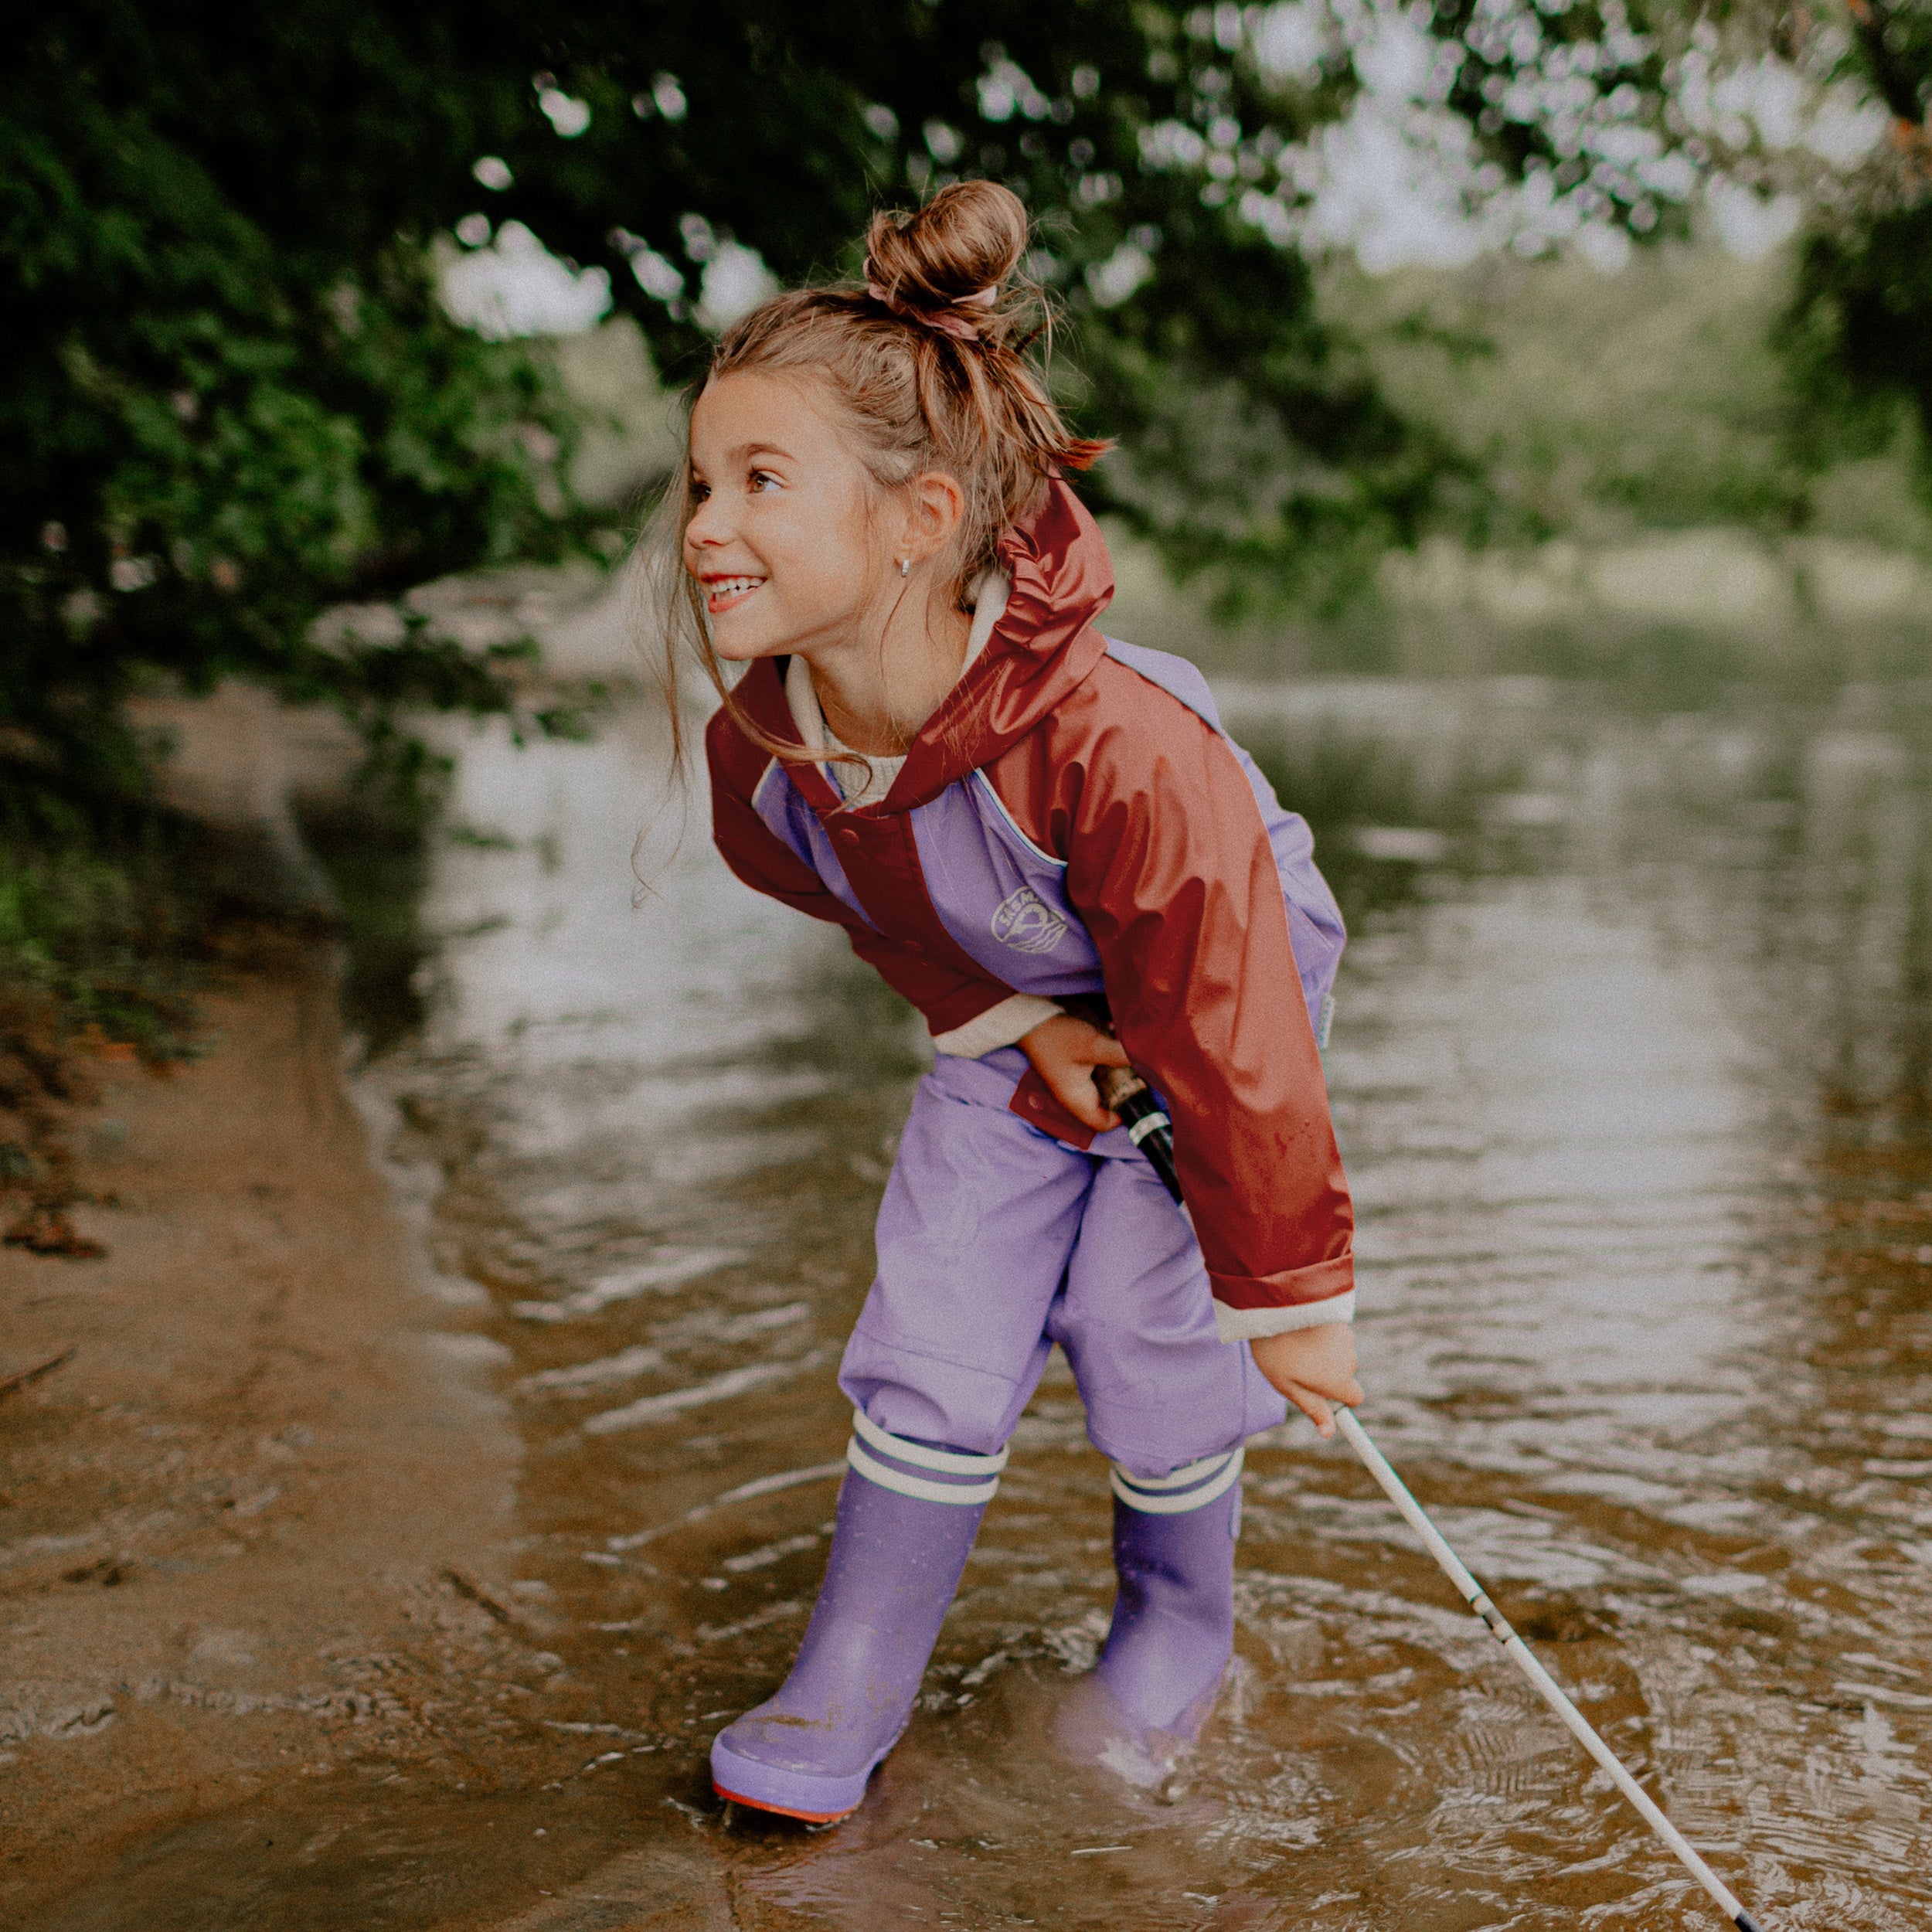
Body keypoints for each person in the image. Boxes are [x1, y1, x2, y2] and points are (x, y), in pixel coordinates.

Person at [653, 179, 1362, 1825]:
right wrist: (1011, 1022)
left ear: (916, 519)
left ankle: (1175, 1629)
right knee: (940, 1312)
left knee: (1142, 1318)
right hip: (1011, 999)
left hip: (1208, 996)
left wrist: (1293, 1286)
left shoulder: (1119, 746)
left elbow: (1231, 1017)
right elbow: (861, 902)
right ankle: (850, 1673)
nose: (703, 522)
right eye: (699, 479)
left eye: (761, 481)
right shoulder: (773, 762)